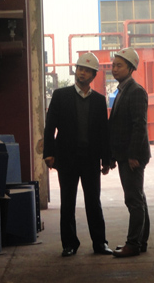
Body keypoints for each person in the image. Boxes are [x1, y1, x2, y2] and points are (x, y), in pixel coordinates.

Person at [43, 53, 113, 257]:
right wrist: (49, 153)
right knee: (67, 201)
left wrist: (106, 160)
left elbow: (103, 132)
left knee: (93, 201)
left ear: (93, 75)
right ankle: (69, 244)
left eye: (87, 70)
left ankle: (100, 243)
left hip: (90, 159)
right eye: (80, 68)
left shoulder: (99, 101)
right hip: (67, 158)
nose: (82, 73)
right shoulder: (60, 96)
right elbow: (50, 127)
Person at [108, 47, 151, 258]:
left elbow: (139, 125)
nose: (114, 69)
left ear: (131, 68)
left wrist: (133, 155)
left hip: (132, 157)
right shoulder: (122, 90)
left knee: (133, 200)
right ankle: (141, 241)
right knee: (138, 198)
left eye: (119, 65)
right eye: (113, 65)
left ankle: (133, 244)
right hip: (125, 155)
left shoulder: (135, 91)